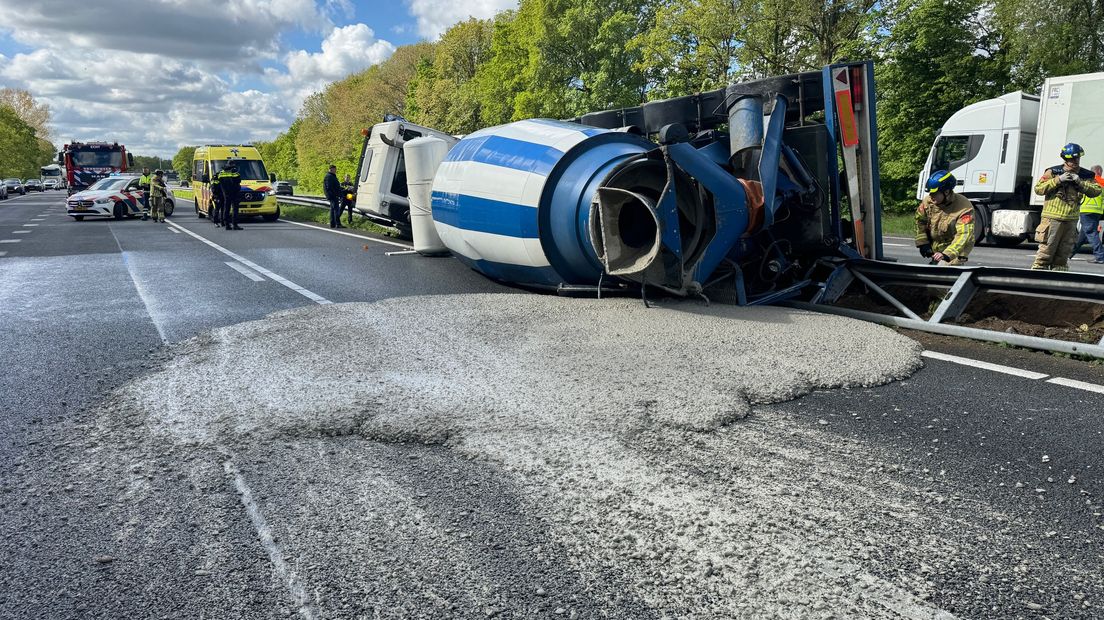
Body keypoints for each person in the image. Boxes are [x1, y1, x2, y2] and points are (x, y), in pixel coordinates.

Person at [1032, 143, 1102, 270]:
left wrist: (1080, 183)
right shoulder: (1053, 172)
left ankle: (1059, 279)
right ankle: (1038, 275)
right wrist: (1058, 180)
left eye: (1077, 158)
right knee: (1046, 250)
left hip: (1071, 219)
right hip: (1052, 218)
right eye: (1071, 159)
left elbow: (1096, 191)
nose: (1075, 161)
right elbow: (1038, 189)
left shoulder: (1085, 175)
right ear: (1065, 159)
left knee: (1063, 254)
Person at [915, 170, 975, 265]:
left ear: (946, 192)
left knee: (945, 269)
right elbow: (920, 222)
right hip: (938, 246)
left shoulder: (964, 207)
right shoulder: (928, 202)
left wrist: (947, 254)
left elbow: (963, 234)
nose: (931, 196)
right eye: (930, 193)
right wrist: (923, 243)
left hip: (957, 249)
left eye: (934, 193)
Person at [1070, 164, 1104, 263]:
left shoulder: (1087, 181)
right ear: (1100, 172)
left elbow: (1079, 194)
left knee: (1091, 233)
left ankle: (1100, 256)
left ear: (1094, 171)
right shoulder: (1103, 182)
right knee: (1083, 235)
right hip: (1098, 211)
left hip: (1086, 210)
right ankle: (1069, 253)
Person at [217, 162, 242, 230]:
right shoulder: (234, 172)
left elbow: (219, 181)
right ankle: (235, 224)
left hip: (226, 193)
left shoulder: (221, 173)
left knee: (226, 209)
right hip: (234, 193)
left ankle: (227, 225)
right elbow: (239, 180)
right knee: (235, 209)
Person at [323, 164, 343, 228]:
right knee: (336, 209)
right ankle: (337, 223)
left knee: (333, 209)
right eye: (335, 169)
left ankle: (333, 224)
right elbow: (330, 187)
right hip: (332, 196)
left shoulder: (332, 176)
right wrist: (335, 194)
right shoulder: (329, 177)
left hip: (332, 195)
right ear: (331, 169)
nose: (335, 170)